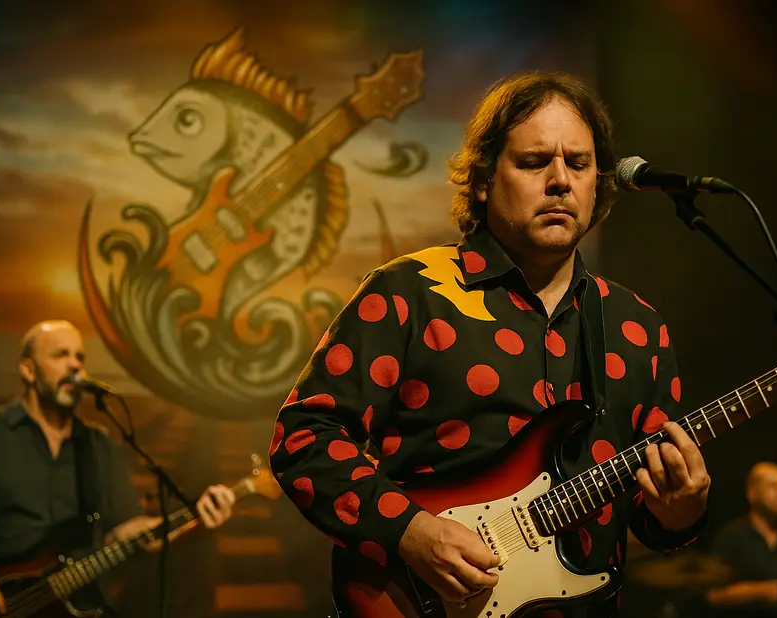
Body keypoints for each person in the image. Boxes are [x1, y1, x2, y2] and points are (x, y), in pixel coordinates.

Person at [269, 71, 711, 617]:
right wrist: (409, 532)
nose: (560, 181)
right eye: (533, 162)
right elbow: (304, 438)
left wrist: (681, 510)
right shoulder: (411, 290)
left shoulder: (638, 327)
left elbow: (652, 521)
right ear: (483, 179)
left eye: (578, 163)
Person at [0, 320, 237, 618]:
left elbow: (126, 530)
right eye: (61, 355)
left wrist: (195, 519)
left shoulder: (97, 443)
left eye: (80, 357)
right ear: (28, 370)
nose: (75, 365)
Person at [706, 462, 777, 618]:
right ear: (752, 493)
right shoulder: (732, 535)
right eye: (773, 486)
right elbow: (714, 596)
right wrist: (766, 591)